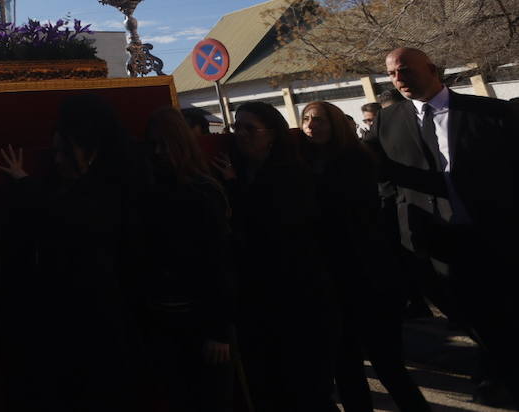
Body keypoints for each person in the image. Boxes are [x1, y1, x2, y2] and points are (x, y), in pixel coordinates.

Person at [371, 47, 519, 402]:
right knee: (465, 312)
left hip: (490, 233)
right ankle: (497, 368)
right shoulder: (387, 121)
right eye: (391, 74)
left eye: (405, 70)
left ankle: (502, 376)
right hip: (431, 240)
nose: (399, 79)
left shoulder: (490, 114)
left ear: (432, 69)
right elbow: (382, 178)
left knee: (501, 308)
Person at [0, 96, 143, 411]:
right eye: (55, 153)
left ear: (91, 152)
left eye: (64, 152)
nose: (58, 160)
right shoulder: (92, 190)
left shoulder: (106, 199)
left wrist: (24, 183)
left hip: (96, 330)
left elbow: (65, 216)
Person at [299, 100, 429, 412]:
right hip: (332, 280)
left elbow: (348, 215)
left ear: (336, 125)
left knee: (388, 365)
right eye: (306, 119)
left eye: (319, 120)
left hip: (367, 276)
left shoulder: (354, 160)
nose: (311, 126)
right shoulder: (305, 162)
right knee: (346, 369)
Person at [212, 101, 335, 412]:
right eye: (237, 127)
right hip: (260, 296)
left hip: (296, 292)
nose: (240, 134)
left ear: (272, 135)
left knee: (305, 386)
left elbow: (273, 227)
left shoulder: (291, 174)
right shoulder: (242, 170)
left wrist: (234, 188)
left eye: (250, 128)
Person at [141, 108, 235, 412]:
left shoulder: (202, 191)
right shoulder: (151, 191)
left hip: (199, 318)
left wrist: (218, 330)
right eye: (153, 145)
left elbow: (218, 261)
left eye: (164, 144)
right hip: (165, 317)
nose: (158, 152)